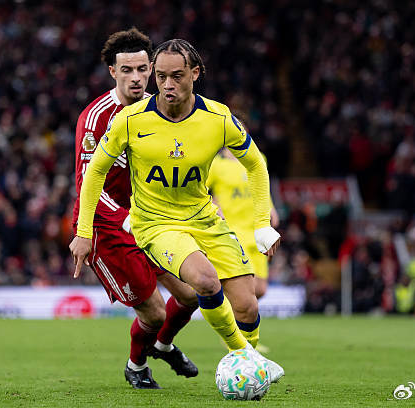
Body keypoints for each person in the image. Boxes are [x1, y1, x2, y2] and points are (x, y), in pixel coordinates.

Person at [70, 38, 284, 382]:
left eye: (176, 76)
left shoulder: (217, 117)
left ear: (195, 73)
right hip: (150, 223)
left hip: (203, 219)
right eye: (161, 76)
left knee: (245, 305)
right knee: (199, 284)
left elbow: (256, 164)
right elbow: (92, 174)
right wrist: (84, 232)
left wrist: (262, 223)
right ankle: (244, 359)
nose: (167, 84)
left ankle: (180, 348)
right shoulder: (127, 120)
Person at [72, 29, 199, 389]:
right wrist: (87, 232)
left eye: (143, 69)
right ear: (113, 71)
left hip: (149, 219)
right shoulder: (96, 118)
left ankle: (162, 345)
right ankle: (137, 366)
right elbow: (88, 184)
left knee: (192, 294)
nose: (137, 78)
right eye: (127, 70)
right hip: (108, 225)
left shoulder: (159, 110)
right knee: (155, 311)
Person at [207, 147, 281, 300]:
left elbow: (262, 186)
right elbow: (200, 190)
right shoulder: (216, 164)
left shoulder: (258, 157)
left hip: (257, 230)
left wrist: (271, 208)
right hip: (233, 231)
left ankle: (228, 303)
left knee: (260, 289)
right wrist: (213, 205)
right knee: (245, 286)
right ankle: (228, 308)